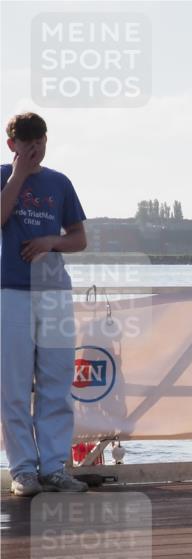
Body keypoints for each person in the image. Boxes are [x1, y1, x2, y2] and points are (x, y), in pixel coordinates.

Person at [2, 112, 89, 496]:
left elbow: (79, 238)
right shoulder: (2, 175)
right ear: (13, 144)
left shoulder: (60, 182)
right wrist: (18, 175)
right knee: (14, 386)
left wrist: (51, 242)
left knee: (56, 380)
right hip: (11, 292)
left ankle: (54, 467)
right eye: (27, 142)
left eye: (40, 141)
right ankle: (24, 471)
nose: (35, 148)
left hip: (54, 292)